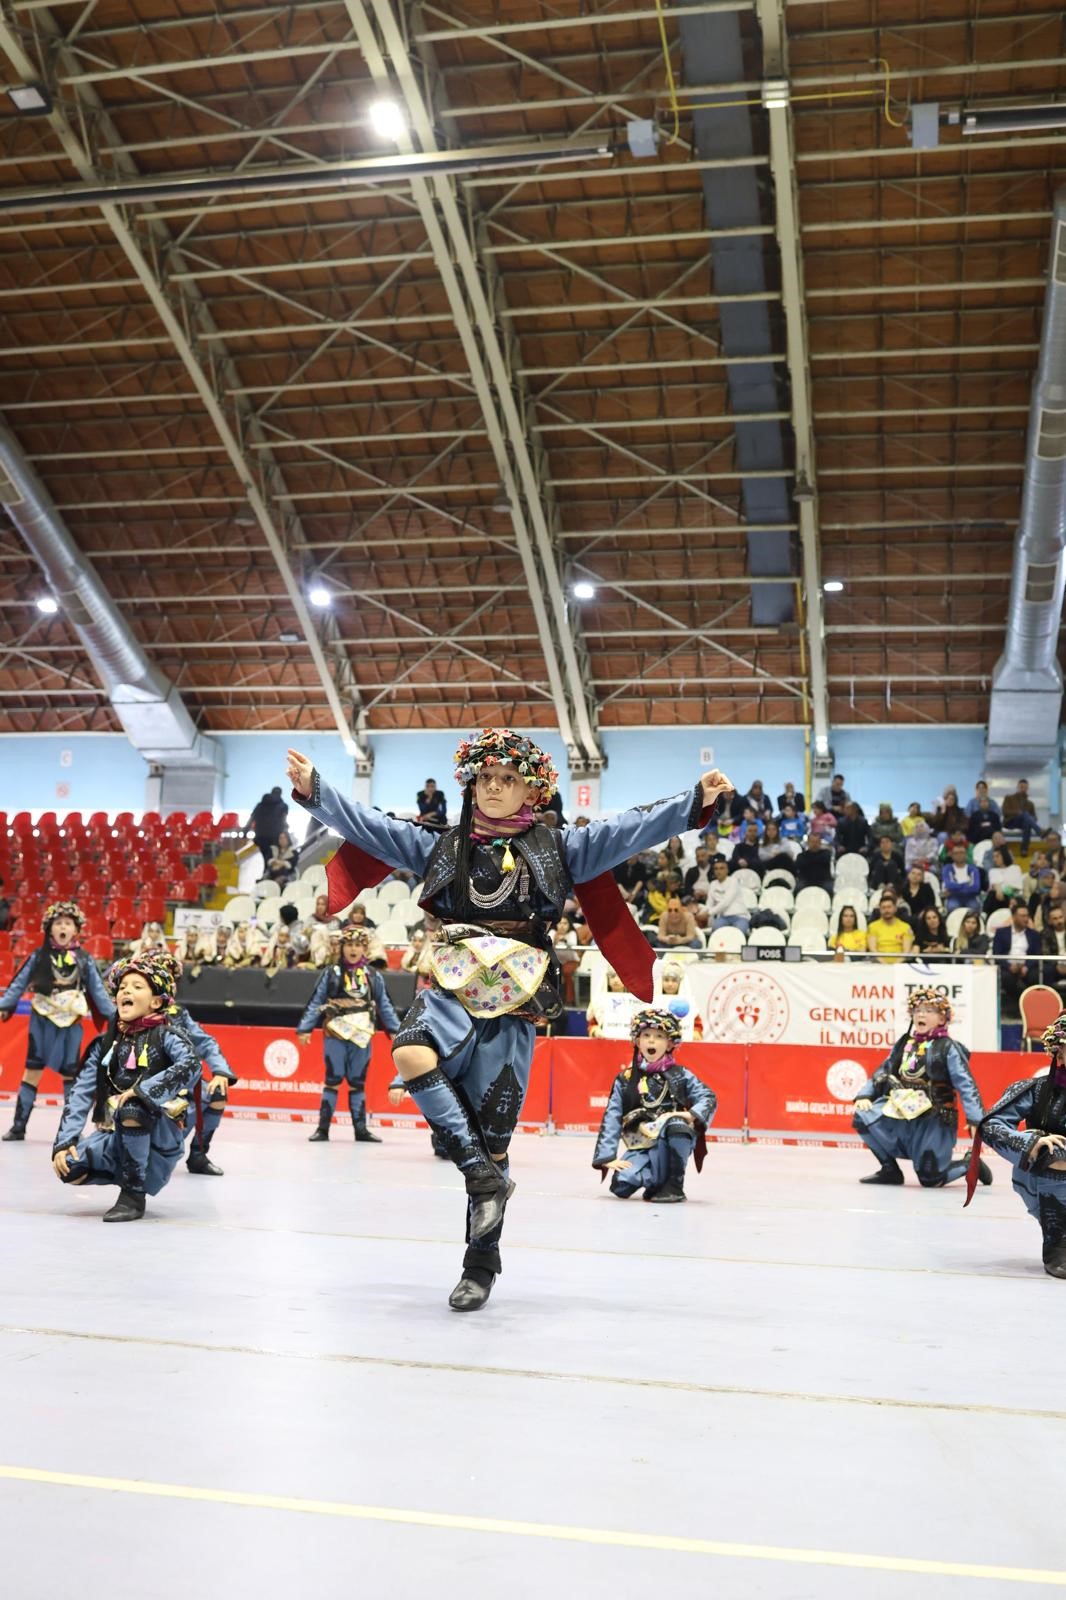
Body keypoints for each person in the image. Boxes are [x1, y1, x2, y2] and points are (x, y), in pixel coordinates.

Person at [286, 730, 731, 1311]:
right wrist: (318, 790)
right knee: (410, 1051)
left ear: (530, 788)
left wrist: (691, 801)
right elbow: (374, 827)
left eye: (507, 779)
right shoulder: (440, 845)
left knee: (497, 1143)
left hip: (518, 997)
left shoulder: (562, 847)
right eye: (484, 778)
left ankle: (479, 1265)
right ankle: (481, 1176)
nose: (493, 788)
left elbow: (628, 830)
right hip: (449, 983)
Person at [49, 953, 202, 1222]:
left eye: (137, 986)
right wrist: (65, 1141)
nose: (126, 990)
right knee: (69, 1168)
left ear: (156, 1001)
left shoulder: (168, 1035)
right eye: (122, 987)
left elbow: (192, 1065)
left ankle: (133, 1195)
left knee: (133, 1106)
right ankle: (125, 1173)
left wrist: (143, 1091)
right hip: (114, 1130)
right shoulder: (105, 1044)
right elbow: (80, 1094)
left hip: (161, 1132)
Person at [852, 988, 989, 1189]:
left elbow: (966, 1083)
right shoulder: (904, 1043)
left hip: (933, 1118)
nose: (921, 1014)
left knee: (931, 1180)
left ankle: (970, 1164)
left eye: (928, 1011)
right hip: (900, 1111)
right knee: (861, 1116)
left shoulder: (948, 1047)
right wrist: (865, 1094)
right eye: (917, 1010)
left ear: (943, 1019)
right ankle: (889, 1170)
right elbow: (884, 1069)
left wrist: (975, 1119)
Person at [1, 901, 114, 1141]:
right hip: (41, 1020)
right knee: (32, 1071)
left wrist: (118, 1017)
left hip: (71, 1022)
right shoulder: (38, 956)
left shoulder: (84, 959)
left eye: (67, 924)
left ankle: (69, 1131)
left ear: (76, 930)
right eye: (58, 923)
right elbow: (18, 983)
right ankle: (18, 1127)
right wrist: (4, 1005)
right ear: (50, 929)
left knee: (70, 1075)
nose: (62, 927)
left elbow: (98, 992)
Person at [968, 1015, 1066, 1277]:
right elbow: (990, 1125)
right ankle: (1058, 1242)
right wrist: (1031, 1141)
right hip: (1048, 1178)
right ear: (1059, 1053)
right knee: (1055, 1151)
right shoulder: (1035, 1089)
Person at [592, 1009, 716, 1203]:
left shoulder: (681, 1074)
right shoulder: (625, 1079)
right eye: (646, 1035)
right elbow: (612, 1117)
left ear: (669, 1044)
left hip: (673, 1139)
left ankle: (674, 1186)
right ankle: (657, 1183)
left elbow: (708, 1097)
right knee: (622, 1184)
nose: (651, 1041)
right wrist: (607, 1157)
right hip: (641, 1143)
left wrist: (689, 1115)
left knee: (677, 1125)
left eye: (659, 1036)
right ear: (637, 1041)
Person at [297, 924, 402, 1143]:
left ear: (365, 948)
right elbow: (316, 1000)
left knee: (357, 1082)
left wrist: (395, 1031)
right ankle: (323, 1129)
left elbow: (385, 1005)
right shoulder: (331, 973)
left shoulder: (373, 975)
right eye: (349, 945)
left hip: (362, 1035)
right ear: (342, 947)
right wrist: (305, 1028)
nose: (353, 950)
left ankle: (360, 1130)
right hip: (335, 1032)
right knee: (333, 1079)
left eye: (358, 945)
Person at [156, 951, 239, 1177]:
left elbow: (205, 1042)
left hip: (179, 1079)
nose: (168, 983)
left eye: (172, 978)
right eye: (162, 977)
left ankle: (198, 1155)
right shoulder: (131, 1011)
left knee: (217, 1094)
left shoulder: (179, 1013)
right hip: (147, 1082)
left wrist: (220, 1071)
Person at [991, 901, 1042, 1012]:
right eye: (1022, 916)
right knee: (1006, 978)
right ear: (1014, 917)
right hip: (1008, 967)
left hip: (1027, 966)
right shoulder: (1001, 933)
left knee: (1036, 976)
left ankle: (1033, 1006)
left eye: (1027, 915)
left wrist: (1026, 966)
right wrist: (1009, 966)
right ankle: (1023, 1006)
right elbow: (996, 954)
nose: (1026, 919)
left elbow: (1037, 954)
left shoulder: (1034, 934)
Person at [705, 857, 751, 934]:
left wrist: (708, 913)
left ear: (727, 870)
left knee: (739, 933)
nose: (718, 871)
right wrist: (705, 915)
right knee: (715, 931)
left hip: (740, 916)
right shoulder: (713, 884)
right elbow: (709, 903)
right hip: (723, 917)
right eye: (716, 869)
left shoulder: (733, 881)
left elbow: (725, 902)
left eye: (721, 868)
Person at [866, 894, 914, 963]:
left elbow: (906, 951)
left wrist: (895, 965)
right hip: (879, 964)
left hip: (900, 964)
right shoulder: (872, 926)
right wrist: (885, 965)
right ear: (880, 909)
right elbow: (873, 949)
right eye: (883, 908)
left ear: (895, 908)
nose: (886, 910)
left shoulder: (905, 927)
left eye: (889, 907)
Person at [249, 785, 289, 866]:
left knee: (265, 856)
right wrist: (286, 829)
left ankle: (267, 872)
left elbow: (252, 818)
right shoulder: (283, 805)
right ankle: (270, 873)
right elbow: (284, 820)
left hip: (260, 835)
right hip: (276, 836)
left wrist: (245, 831)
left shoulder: (260, 805)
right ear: (281, 794)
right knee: (273, 856)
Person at [942, 843, 983, 914]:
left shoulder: (973, 869)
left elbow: (976, 887)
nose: (959, 855)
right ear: (952, 855)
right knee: (952, 907)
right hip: (953, 897)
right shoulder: (947, 868)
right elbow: (949, 885)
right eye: (956, 853)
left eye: (962, 852)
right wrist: (965, 885)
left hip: (970, 897)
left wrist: (954, 889)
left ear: (966, 854)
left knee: (974, 907)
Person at [1001, 778, 1038, 851]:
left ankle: (1024, 850)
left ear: (1027, 789)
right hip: (1010, 822)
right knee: (1025, 814)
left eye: (1025, 788)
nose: (1023, 789)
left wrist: (1030, 818)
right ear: (1017, 787)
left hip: (1023, 823)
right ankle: (1039, 831)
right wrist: (1017, 812)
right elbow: (1004, 811)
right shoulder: (1009, 798)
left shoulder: (1030, 804)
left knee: (1027, 821)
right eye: (1021, 787)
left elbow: (1035, 817)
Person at [1040, 904, 1066, 997]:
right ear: (1050, 921)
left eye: (1060, 917)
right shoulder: (1045, 933)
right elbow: (1045, 953)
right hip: (1055, 966)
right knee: (1046, 971)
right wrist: (1057, 966)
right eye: (1055, 918)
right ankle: (1049, 1001)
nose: (1059, 921)